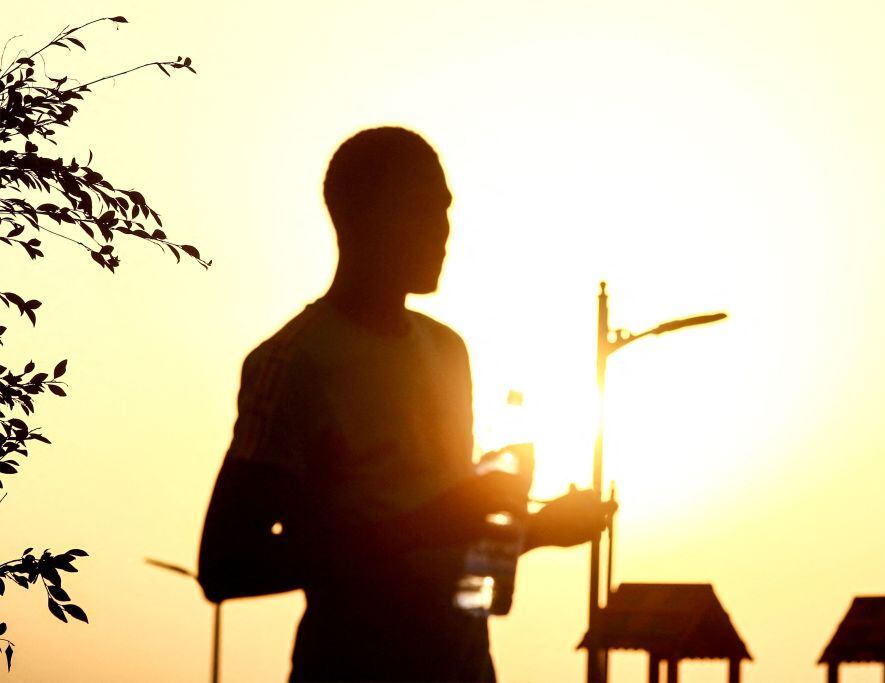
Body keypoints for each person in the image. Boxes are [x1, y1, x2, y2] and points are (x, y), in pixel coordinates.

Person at [197, 127, 614, 682]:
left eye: (446, 212)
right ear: (370, 218)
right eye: (427, 212)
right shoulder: (296, 364)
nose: (445, 232)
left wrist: (538, 529)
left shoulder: (447, 351)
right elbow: (226, 567)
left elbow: (452, 554)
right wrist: (432, 523)